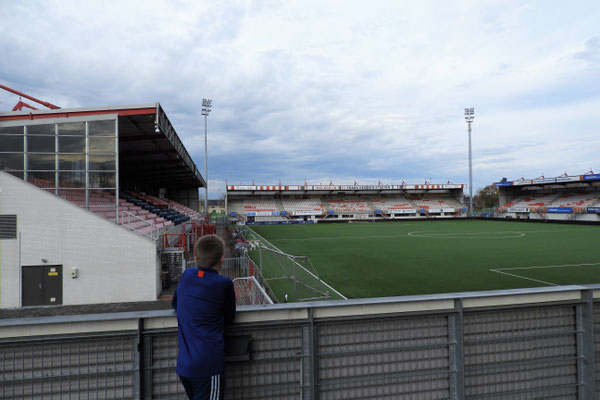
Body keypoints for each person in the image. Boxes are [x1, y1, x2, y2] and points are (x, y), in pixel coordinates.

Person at [172, 234, 236, 400]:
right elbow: (230, 318)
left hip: (184, 366)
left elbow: (175, 304)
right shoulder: (224, 283)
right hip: (207, 367)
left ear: (195, 258)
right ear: (221, 259)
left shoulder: (187, 276)